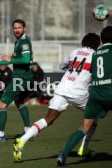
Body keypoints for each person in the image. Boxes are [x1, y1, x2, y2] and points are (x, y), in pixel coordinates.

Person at [13, 33, 101, 162]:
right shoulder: (95, 55)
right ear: (97, 44)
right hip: (79, 93)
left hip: (63, 89)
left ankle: (22, 140)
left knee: (48, 119)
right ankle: (84, 147)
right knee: (95, 116)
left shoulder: (75, 52)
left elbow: (61, 66)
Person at [56, 26, 112, 166]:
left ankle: (63, 155)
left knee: (83, 128)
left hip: (95, 94)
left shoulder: (95, 53)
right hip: (110, 91)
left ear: (102, 39)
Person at [0, 19, 33, 142]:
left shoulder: (24, 42)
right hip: (24, 77)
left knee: (2, 104)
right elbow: (14, 60)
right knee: (19, 102)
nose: (17, 30)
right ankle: (28, 131)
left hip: (21, 78)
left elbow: (26, 60)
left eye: (19, 28)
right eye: (15, 28)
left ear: (24, 28)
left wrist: (10, 60)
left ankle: (0, 135)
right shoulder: (19, 41)